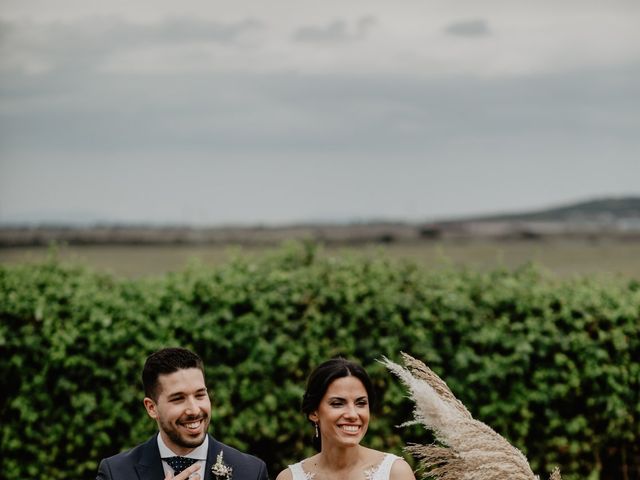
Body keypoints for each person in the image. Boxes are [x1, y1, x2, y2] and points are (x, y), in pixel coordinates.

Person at [97, 347, 269, 480]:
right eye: (178, 399)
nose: (194, 410)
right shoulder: (115, 473)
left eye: (200, 395)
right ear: (151, 408)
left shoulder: (251, 472)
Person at [276, 358, 415, 480]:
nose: (353, 415)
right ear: (314, 412)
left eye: (360, 403)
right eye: (337, 404)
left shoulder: (395, 473)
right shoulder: (289, 478)